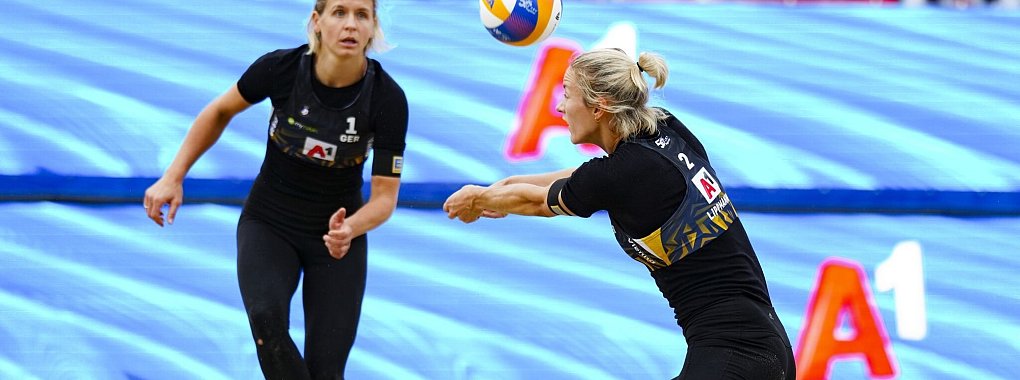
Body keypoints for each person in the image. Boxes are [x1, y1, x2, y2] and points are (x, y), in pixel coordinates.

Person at [444, 48, 795, 380]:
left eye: (567, 94)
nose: (560, 106)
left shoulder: (619, 174)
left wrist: (477, 200)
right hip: (760, 346)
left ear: (600, 107)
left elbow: (539, 201)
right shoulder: (665, 131)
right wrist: (497, 189)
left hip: (735, 352)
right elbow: (576, 179)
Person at [143, 0, 408, 378]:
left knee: (326, 372)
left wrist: (351, 227)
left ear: (372, 28)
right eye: (339, 12)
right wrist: (173, 176)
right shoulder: (280, 69)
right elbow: (219, 111)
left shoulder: (387, 99)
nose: (350, 24)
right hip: (270, 223)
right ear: (317, 22)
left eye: (362, 15)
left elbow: (384, 199)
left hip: (337, 239)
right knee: (267, 323)